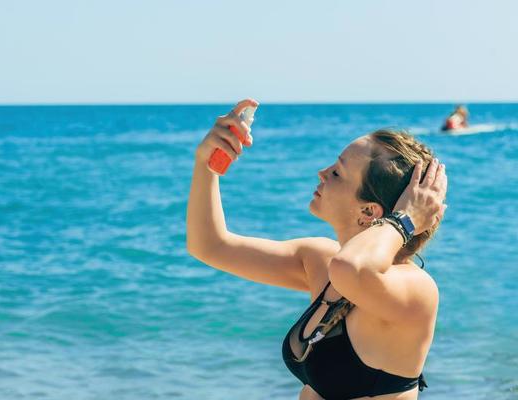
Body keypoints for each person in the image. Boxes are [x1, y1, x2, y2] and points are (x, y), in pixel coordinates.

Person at [187, 99, 447, 400]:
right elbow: (210, 246)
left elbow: (352, 270)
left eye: (337, 173)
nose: (322, 172)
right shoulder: (322, 259)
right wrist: (206, 163)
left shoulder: (414, 290)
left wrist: (405, 220)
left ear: (369, 212)